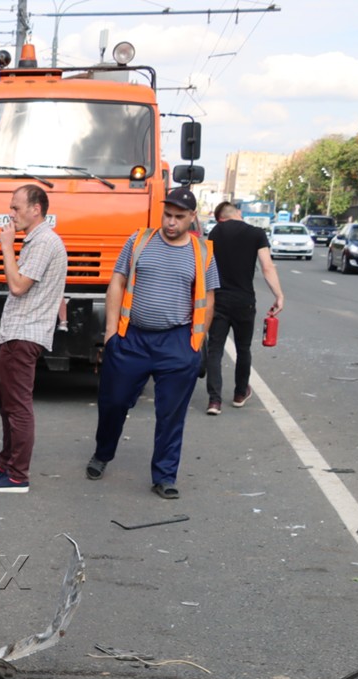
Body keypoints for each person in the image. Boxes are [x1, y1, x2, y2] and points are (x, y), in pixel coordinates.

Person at [86, 186, 221, 500]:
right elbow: (117, 281)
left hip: (176, 342)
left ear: (191, 218)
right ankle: (102, 454)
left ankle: (164, 476)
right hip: (131, 338)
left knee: (171, 413)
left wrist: (194, 344)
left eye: (179, 217)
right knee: (113, 402)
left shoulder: (203, 252)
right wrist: (110, 333)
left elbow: (209, 299)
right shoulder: (139, 241)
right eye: (167, 215)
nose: (171, 222)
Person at [0, 184, 67, 494]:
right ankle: (5, 463)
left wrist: (7, 246)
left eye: (16, 207)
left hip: (24, 333)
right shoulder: (38, 240)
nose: (11, 213)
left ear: (36, 209)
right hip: (17, 332)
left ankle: (16, 475)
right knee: (8, 402)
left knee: (17, 406)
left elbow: (17, 286)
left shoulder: (42, 243)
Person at [203, 199, 284, 414]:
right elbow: (267, 267)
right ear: (238, 212)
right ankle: (240, 393)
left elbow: (207, 266)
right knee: (243, 348)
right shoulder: (256, 233)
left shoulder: (215, 234)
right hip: (244, 301)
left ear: (220, 218)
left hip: (218, 300)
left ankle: (214, 401)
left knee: (215, 350)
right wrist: (279, 295)